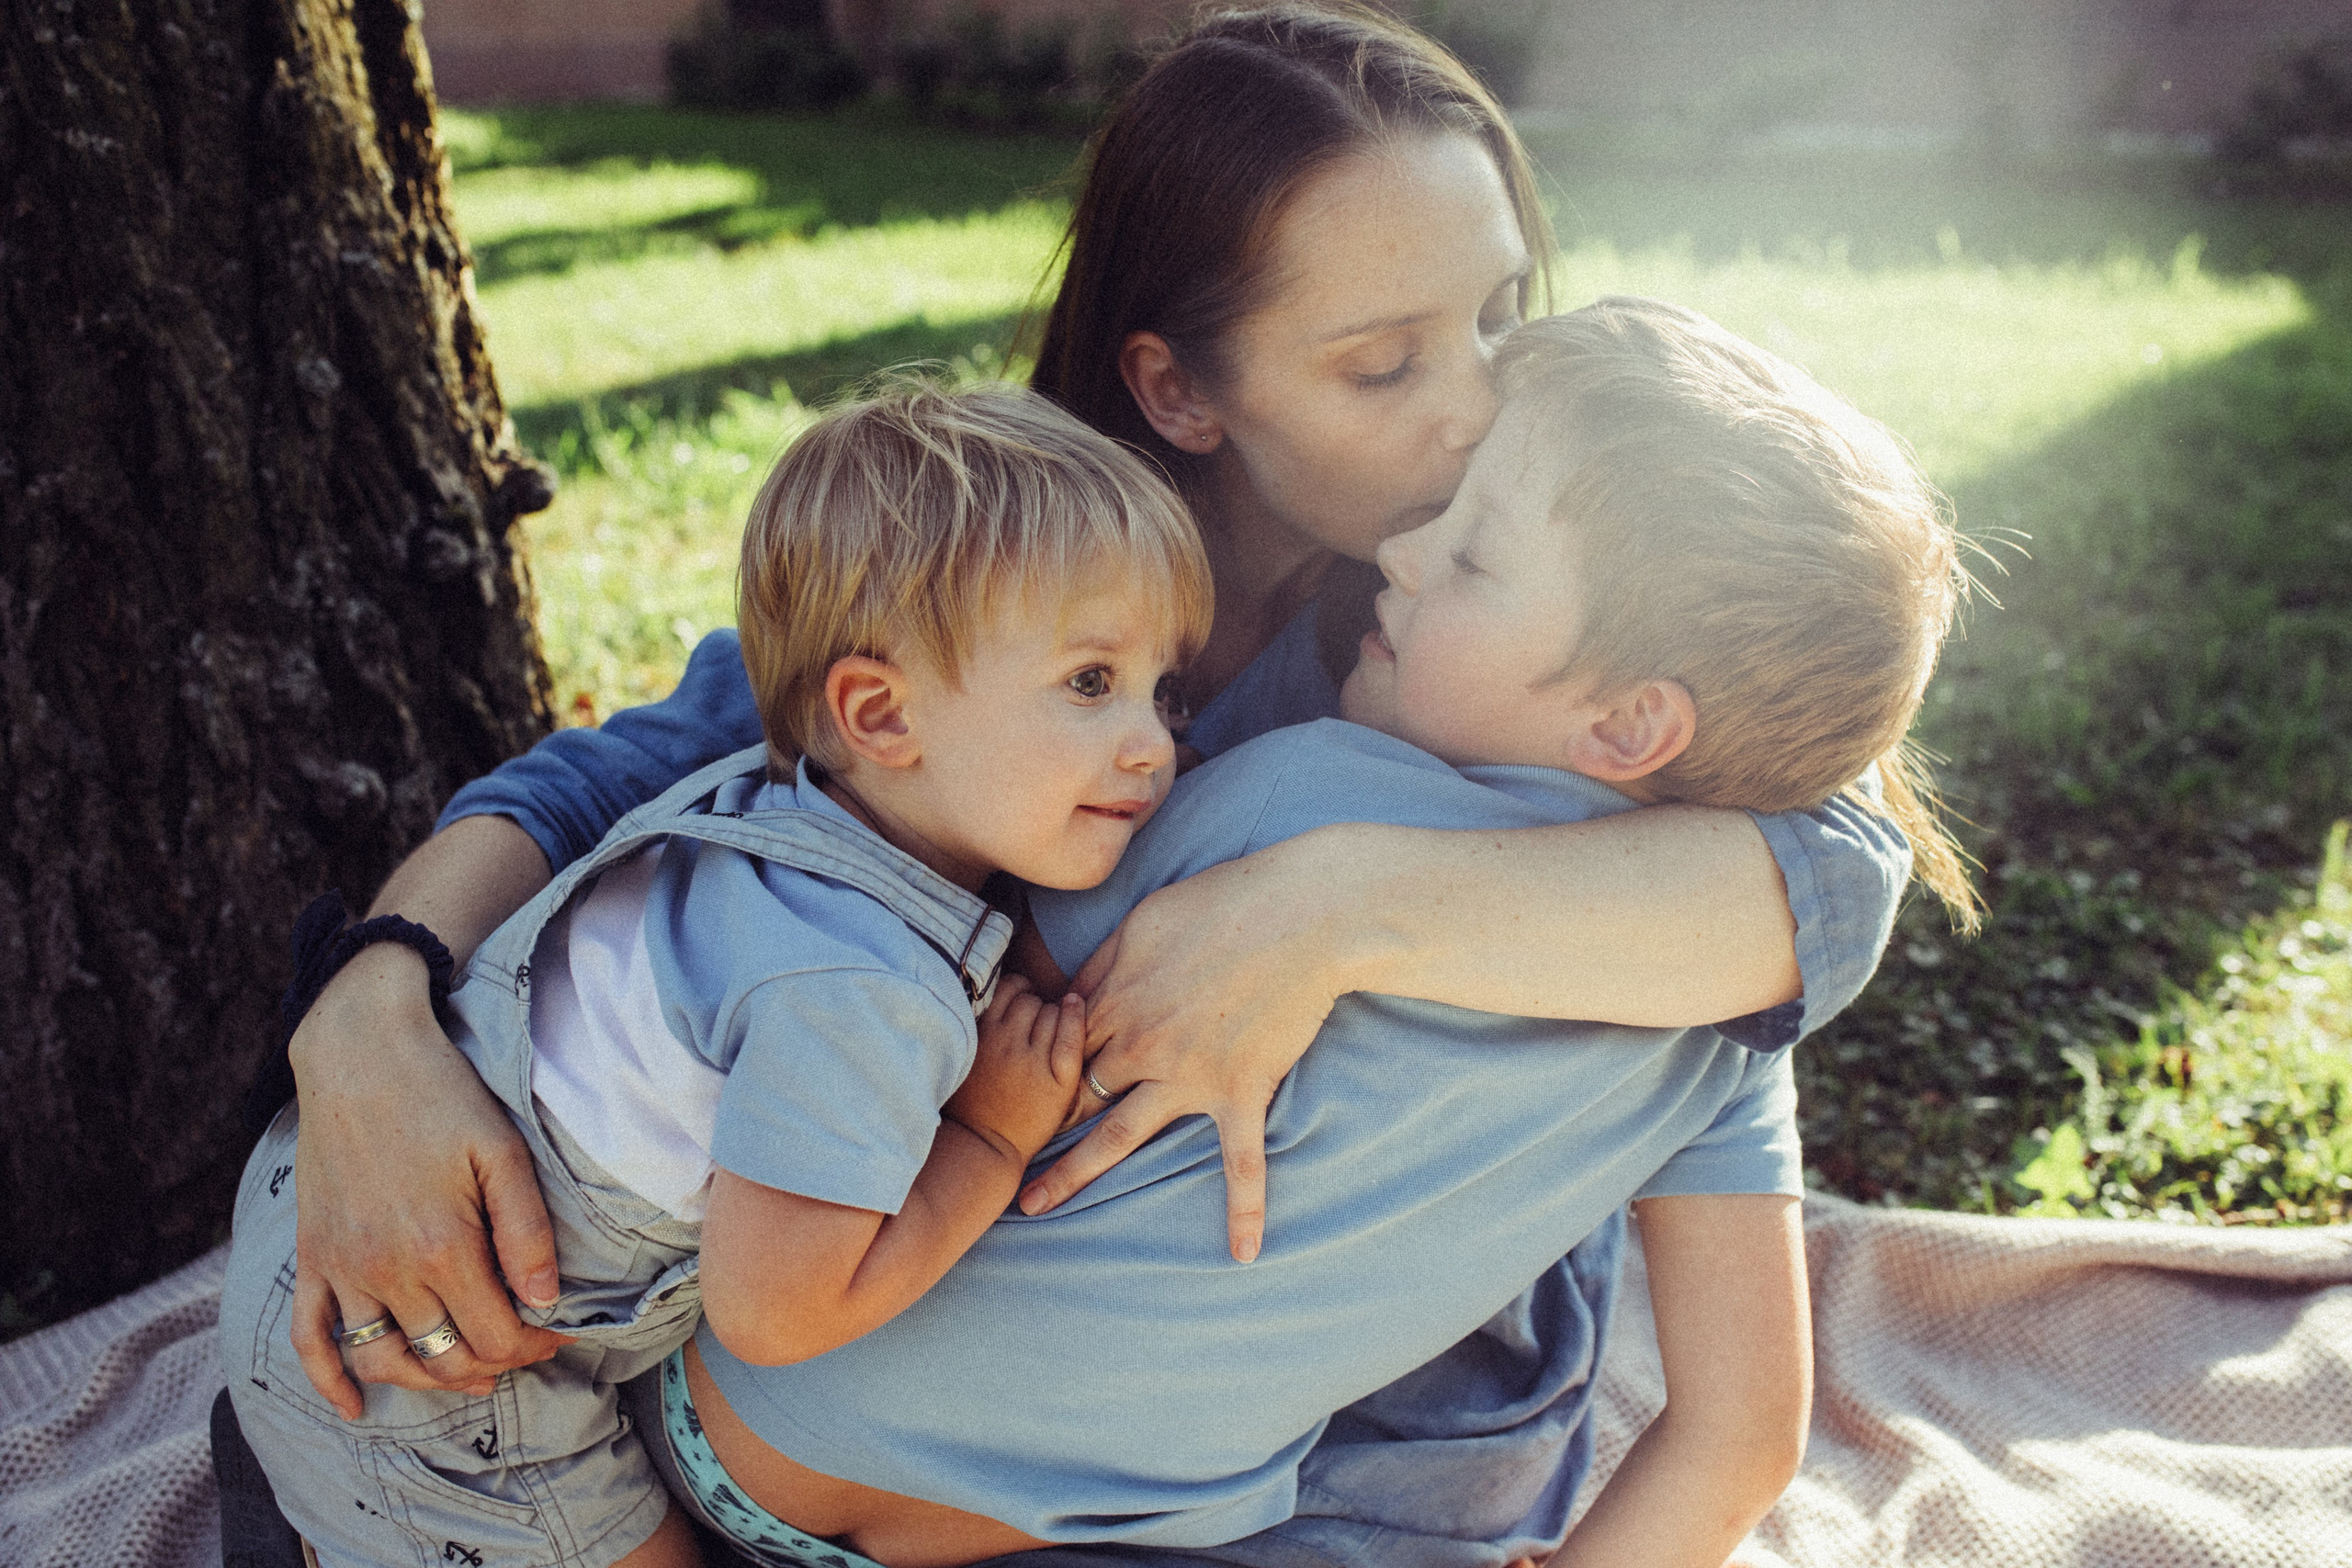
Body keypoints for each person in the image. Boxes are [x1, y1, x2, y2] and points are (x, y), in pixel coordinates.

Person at [239, 2, 1918, 1560]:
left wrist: (1332, 906)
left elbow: (1835, 864)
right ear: (1178, 387)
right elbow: (620, 781)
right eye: (1385, 362)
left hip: (1365, 1452)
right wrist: (370, 1016)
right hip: (927, 1409)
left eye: (1499, 316)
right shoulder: (1027, 595)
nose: (1482, 405)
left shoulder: (1510, 635)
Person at [658, 297, 1977, 1568]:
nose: (1401, 553)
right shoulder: (1730, 1025)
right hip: (1052, 1531)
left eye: (1471, 554)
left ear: (1631, 723)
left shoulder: (1302, 795)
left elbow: (909, 986)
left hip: (753, 1425)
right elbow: (1743, 1440)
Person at [221, 382, 1214, 1568]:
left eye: (1165, 690)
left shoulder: (777, 808)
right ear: (880, 714)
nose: (1154, 742)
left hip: (309, 1213)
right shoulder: (860, 987)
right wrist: (992, 1141)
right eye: (1091, 683)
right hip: (442, 1384)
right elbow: (776, 1308)